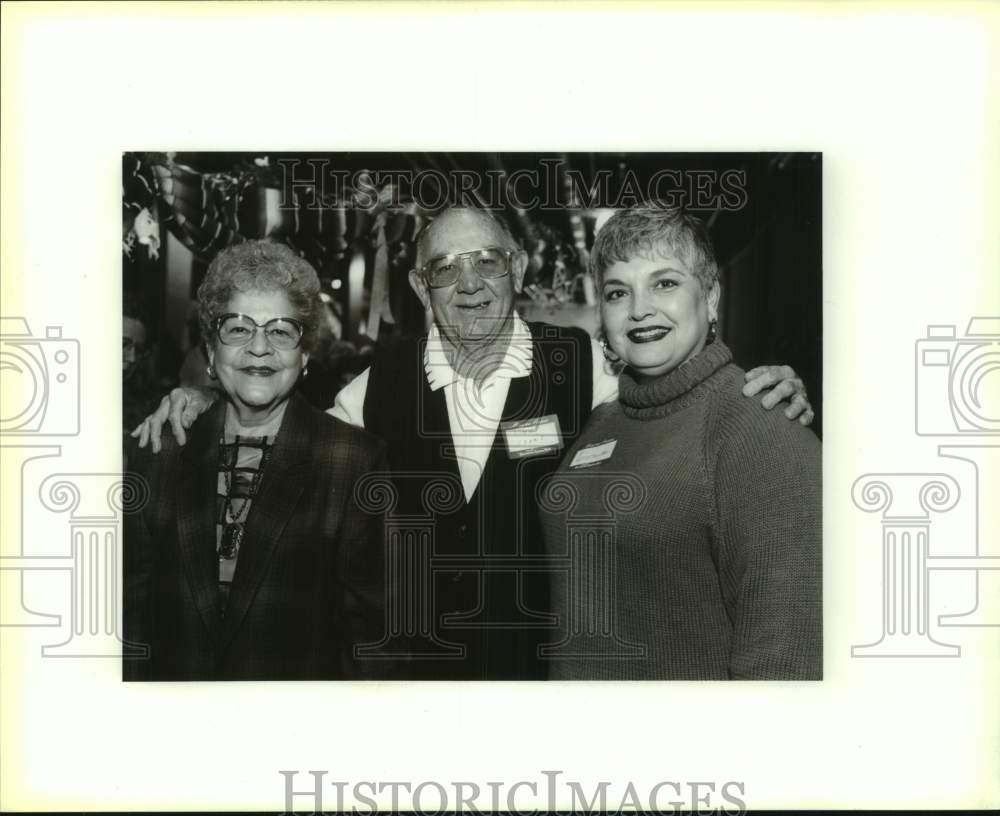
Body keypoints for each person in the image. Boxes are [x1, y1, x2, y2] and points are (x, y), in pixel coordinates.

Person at [132, 207, 813, 680]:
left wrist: (763, 383)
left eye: (486, 261)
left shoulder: (588, 367)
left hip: (544, 679)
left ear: (515, 267)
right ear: (419, 287)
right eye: (445, 268)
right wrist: (203, 400)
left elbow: (676, 393)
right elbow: (284, 424)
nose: (469, 284)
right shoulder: (376, 385)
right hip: (409, 688)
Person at [538, 206, 822, 680]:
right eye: (617, 292)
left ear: (710, 298)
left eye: (665, 283)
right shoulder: (601, 421)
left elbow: (787, 661)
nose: (639, 309)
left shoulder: (761, 428)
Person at [124, 240, 389, 680]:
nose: (259, 348)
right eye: (238, 329)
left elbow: (374, 644)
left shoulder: (352, 461)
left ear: (304, 355)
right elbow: (129, 621)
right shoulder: (160, 450)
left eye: (281, 330)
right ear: (211, 350)